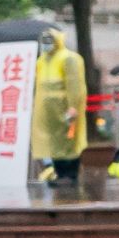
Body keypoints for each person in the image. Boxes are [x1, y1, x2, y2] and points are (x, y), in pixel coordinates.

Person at [32, 28, 87, 201]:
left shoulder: (68, 58)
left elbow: (74, 85)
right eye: (44, 40)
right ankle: (59, 172)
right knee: (53, 142)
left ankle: (70, 174)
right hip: (47, 111)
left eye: (50, 40)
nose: (47, 44)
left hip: (65, 108)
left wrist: (73, 106)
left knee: (68, 141)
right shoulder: (41, 61)